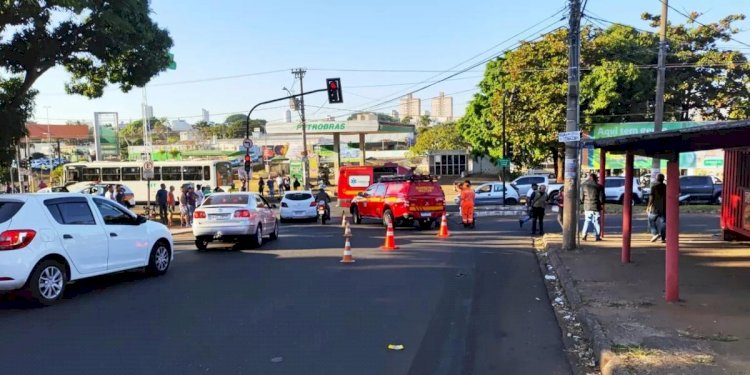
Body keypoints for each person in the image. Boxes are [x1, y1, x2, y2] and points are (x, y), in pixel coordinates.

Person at [580, 173, 604, 241]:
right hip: (596, 206)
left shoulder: (584, 185)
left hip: (587, 206)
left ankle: (584, 235)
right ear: (596, 178)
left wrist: (583, 201)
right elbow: (601, 198)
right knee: (596, 222)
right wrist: (601, 204)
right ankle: (597, 236)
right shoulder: (599, 186)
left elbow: (581, 197)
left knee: (587, 221)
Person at [647, 173, 667, 243]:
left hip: (655, 207)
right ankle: (663, 238)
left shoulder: (654, 187)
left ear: (657, 179)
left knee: (651, 219)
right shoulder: (666, 187)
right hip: (664, 207)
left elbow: (651, 198)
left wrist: (648, 206)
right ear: (663, 179)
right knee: (664, 222)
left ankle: (655, 233)